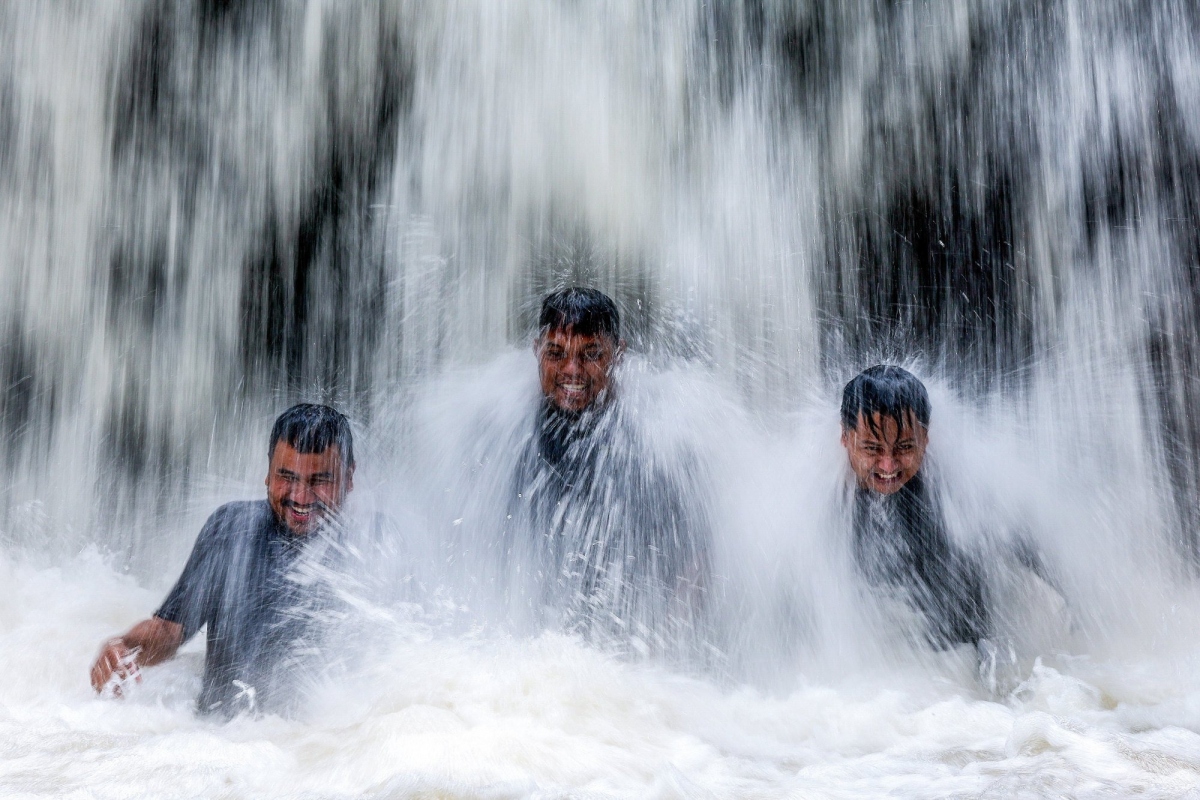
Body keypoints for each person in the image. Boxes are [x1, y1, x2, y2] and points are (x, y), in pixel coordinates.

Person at [90, 403, 356, 716]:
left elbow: (405, 668)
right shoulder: (233, 530)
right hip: (220, 742)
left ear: (348, 478)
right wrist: (125, 647)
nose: (300, 497)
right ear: (268, 474)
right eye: (287, 476)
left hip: (327, 750)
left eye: (319, 481)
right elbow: (169, 631)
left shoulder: (374, 547)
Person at [505, 288, 710, 648]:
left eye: (591, 355)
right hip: (531, 648)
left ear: (618, 355)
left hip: (631, 635)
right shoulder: (507, 436)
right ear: (537, 350)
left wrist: (663, 648)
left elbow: (696, 559)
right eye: (556, 353)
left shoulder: (655, 443)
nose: (572, 370)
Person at [840, 365, 989, 649]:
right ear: (845, 437)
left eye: (905, 447)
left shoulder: (953, 498)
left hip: (947, 666)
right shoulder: (817, 502)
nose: (888, 465)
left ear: (926, 437)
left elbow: (1024, 535)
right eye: (872, 449)